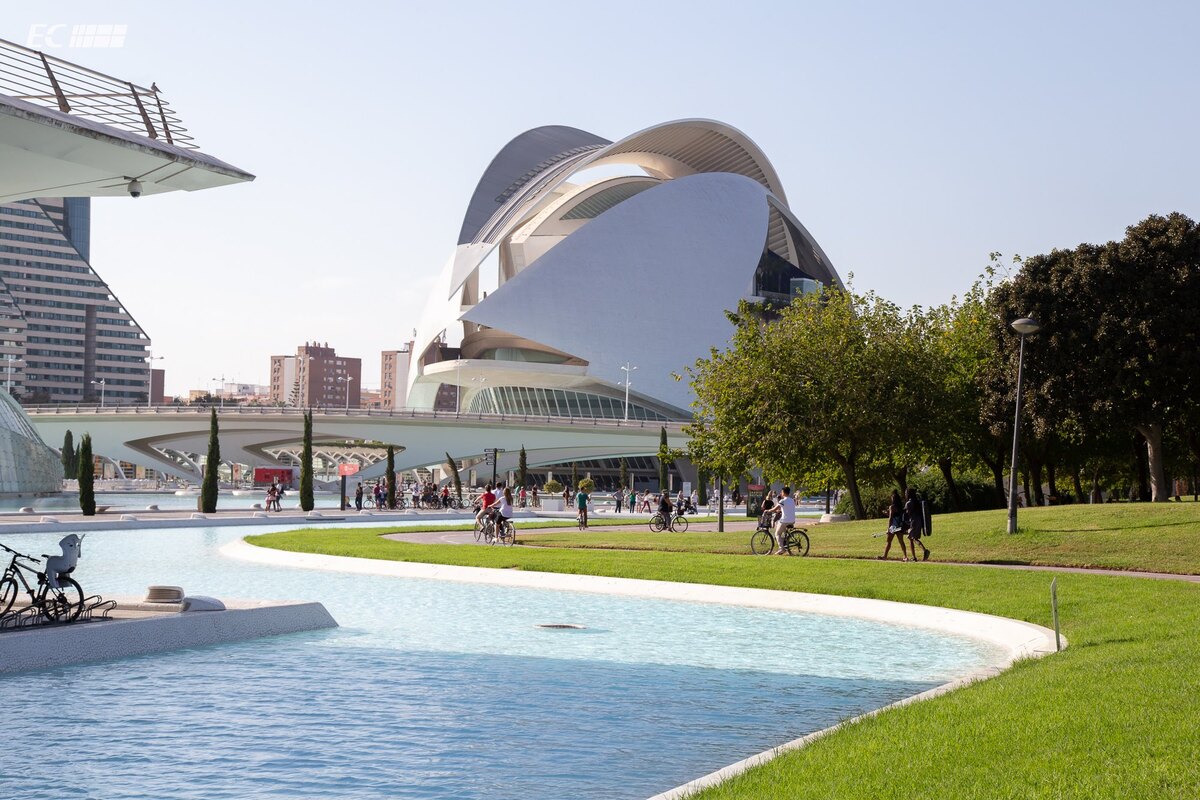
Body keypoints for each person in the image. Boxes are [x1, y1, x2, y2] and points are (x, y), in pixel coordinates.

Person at [879, 489, 908, 561]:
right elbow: (896, 515)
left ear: (893, 499)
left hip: (893, 526)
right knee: (901, 542)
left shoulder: (892, 507)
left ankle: (885, 556)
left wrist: (888, 528)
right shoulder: (900, 507)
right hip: (899, 525)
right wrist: (887, 513)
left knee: (888, 542)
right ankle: (905, 556)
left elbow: (891, 518)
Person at [766, 486, 797, 555]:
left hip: (785, 520)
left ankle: (781, 549)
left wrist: (768, 511)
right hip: (792, 520)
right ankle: (785, 543)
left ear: (783, 492)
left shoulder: (782, 501)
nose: (781, 493)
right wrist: (779, 511)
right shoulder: (792, 500)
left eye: (781, 492)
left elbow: (774, 509)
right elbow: (786, 508)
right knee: (782, 532)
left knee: (777, 533)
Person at [905, 487, 930, 561]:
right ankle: (914, 557)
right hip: (919, 521)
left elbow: (907, 514)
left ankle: (924, 551)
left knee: (912, 538)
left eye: (906, 493)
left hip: (913, 522)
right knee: (912, 538)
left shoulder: (909, 503)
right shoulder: (917, 502)